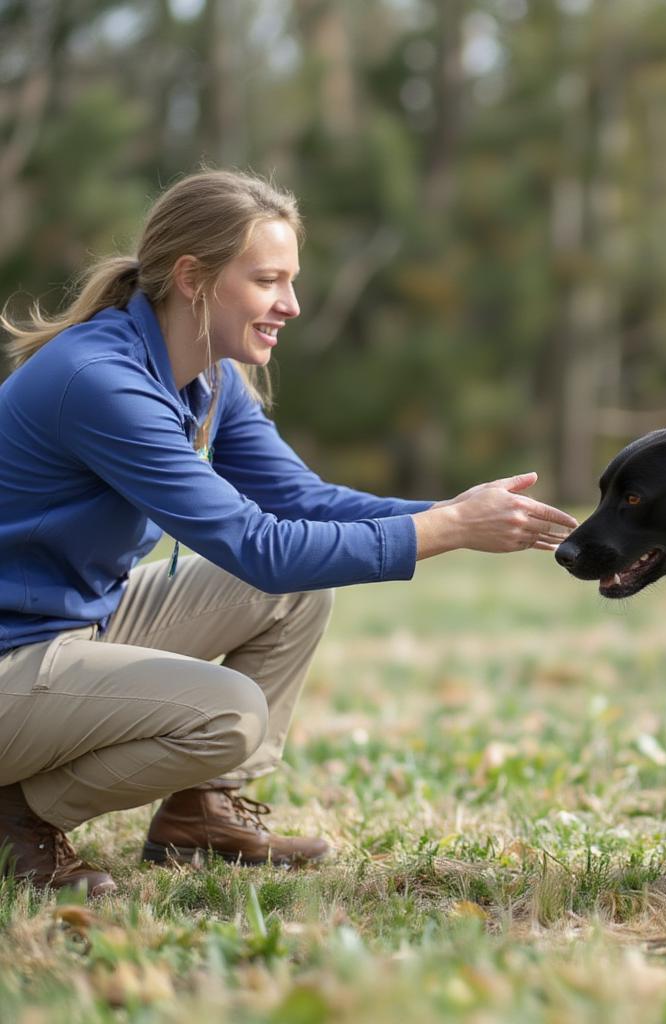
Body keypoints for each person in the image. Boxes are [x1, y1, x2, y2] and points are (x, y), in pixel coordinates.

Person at [0, 169, 577, 897]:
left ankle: (199, 815)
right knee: (230, 713)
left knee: (301, 595)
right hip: (12, 655)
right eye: (269, 280)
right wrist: (451, 530)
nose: (291, 305)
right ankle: (15, 817)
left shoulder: (207, 378)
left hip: (62, 630)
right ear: (193, 278)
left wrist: (453, 509)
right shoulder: (100, 381)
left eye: (291, 280)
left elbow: (303, 501)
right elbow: (260, 548)